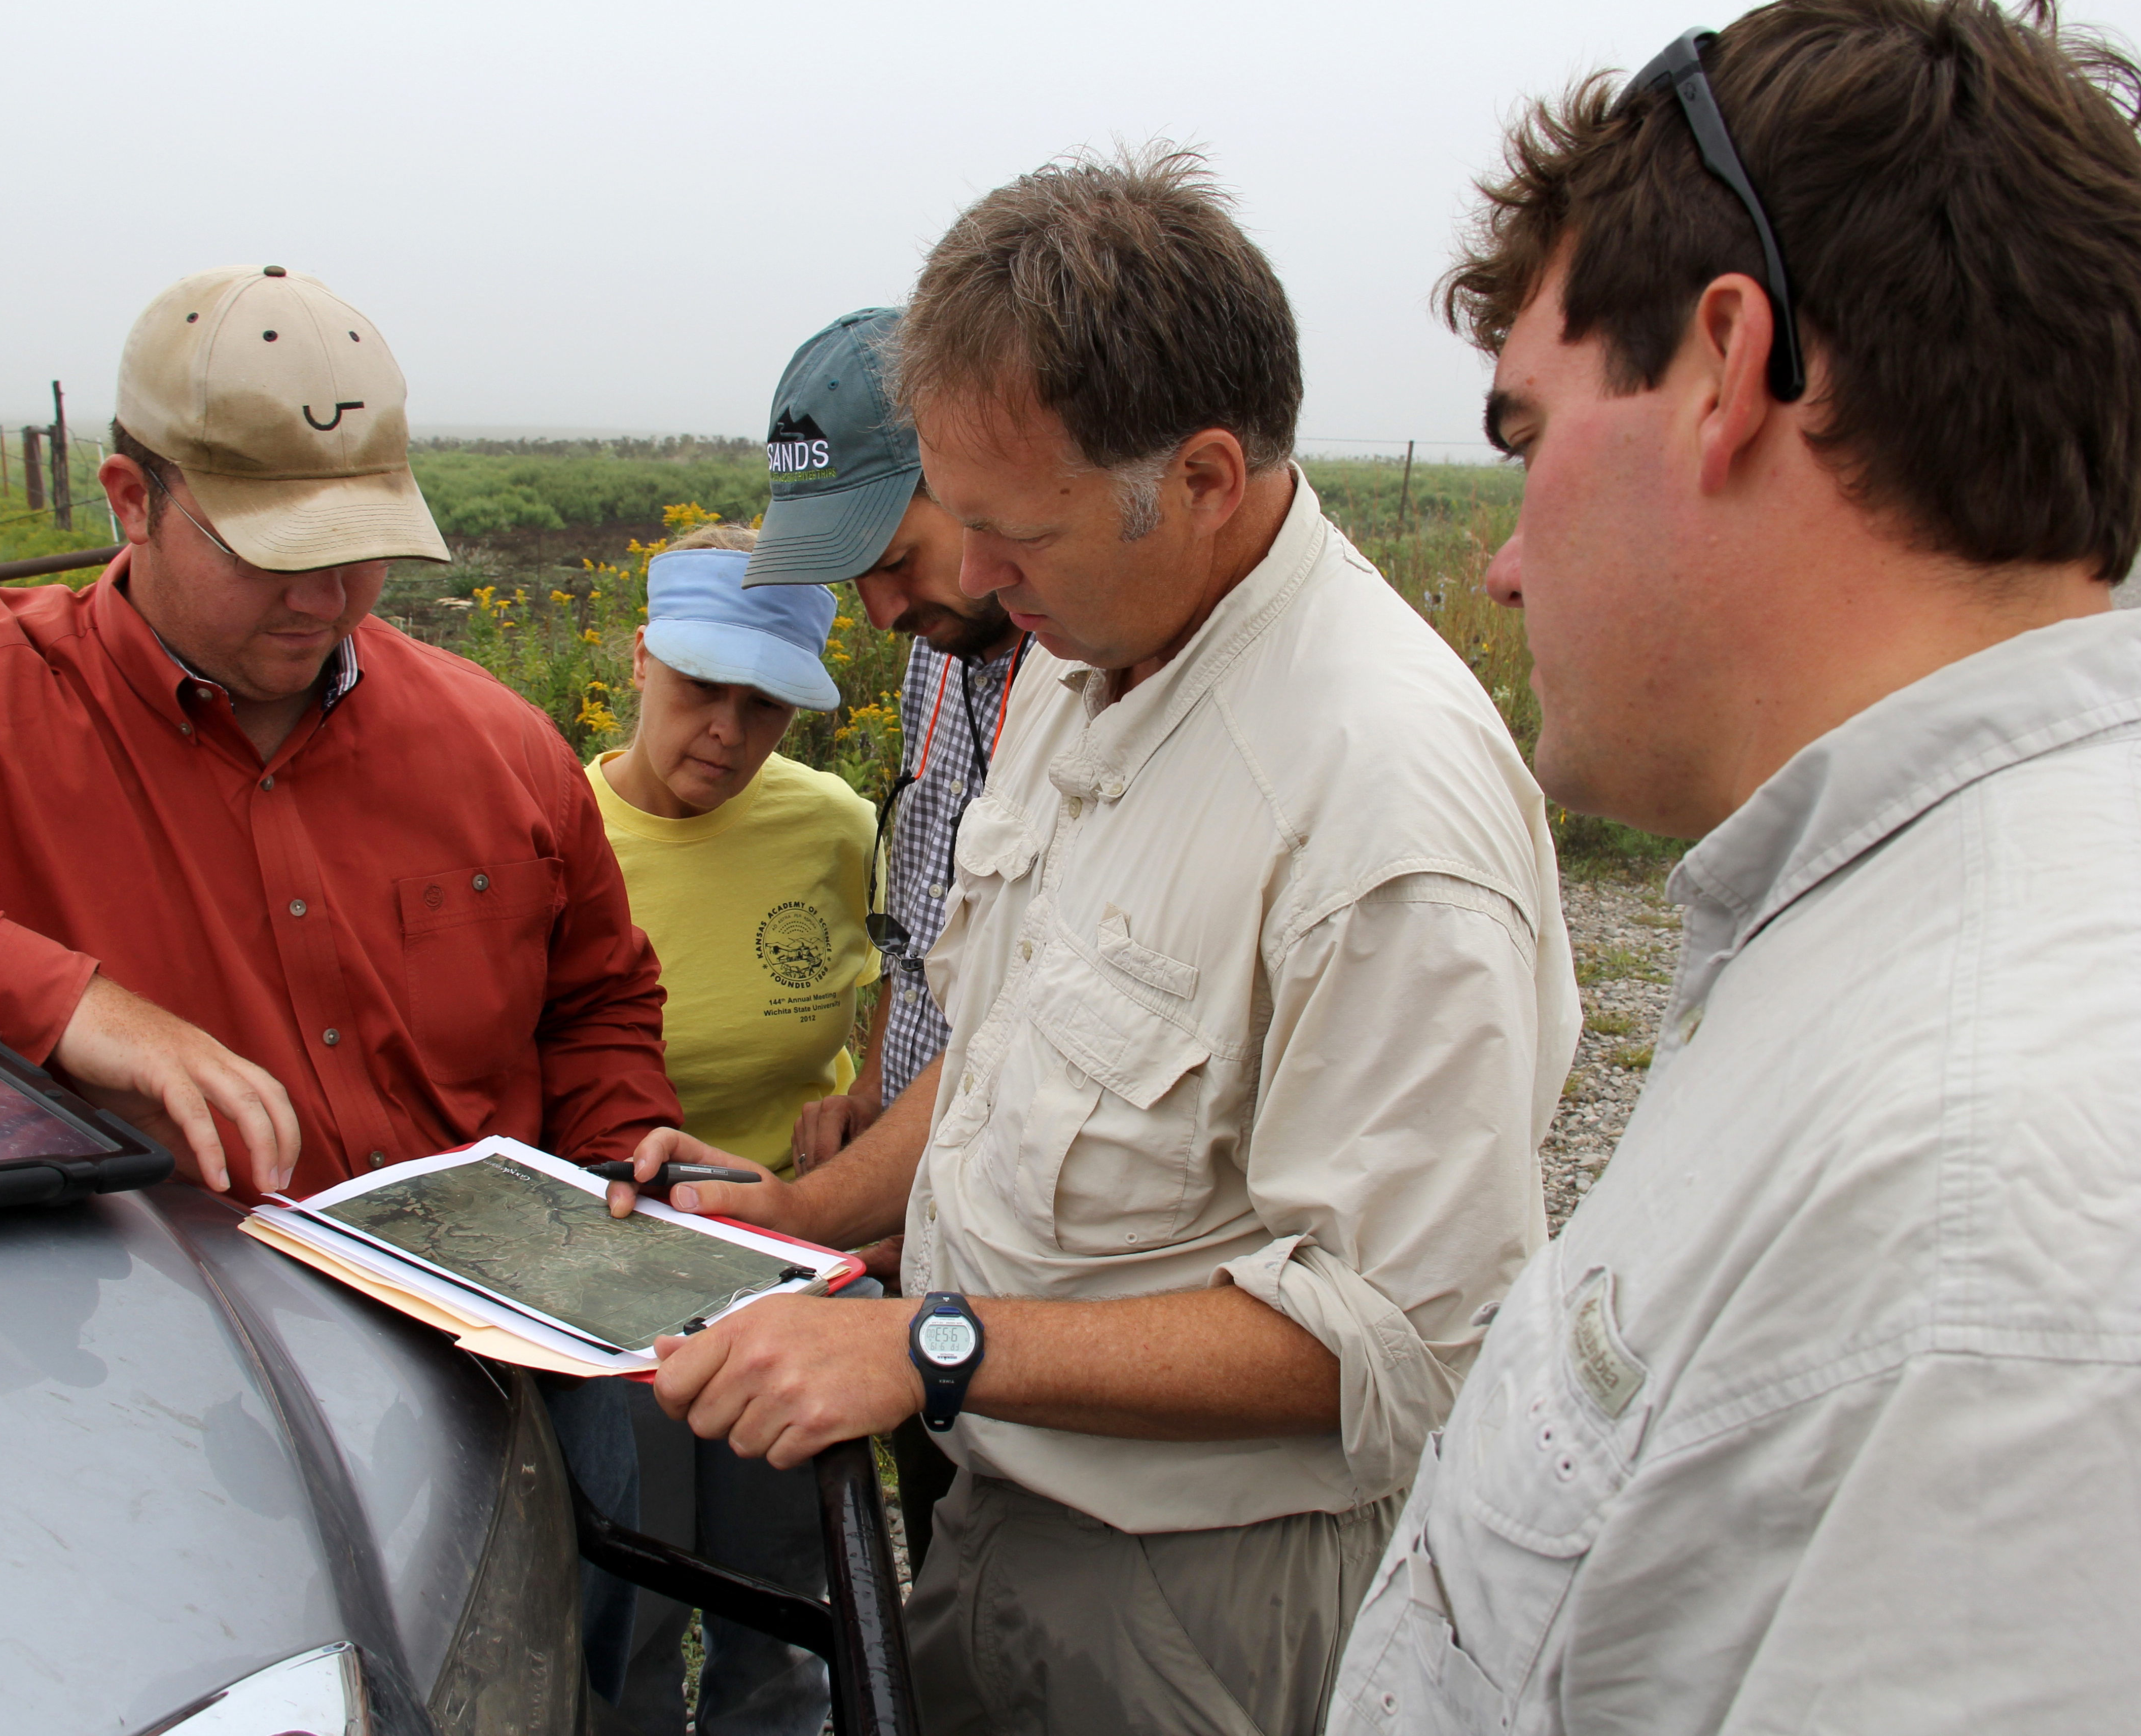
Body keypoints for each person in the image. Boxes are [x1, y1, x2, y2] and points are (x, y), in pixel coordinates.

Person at [0, 263, 676, 1698]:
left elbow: (595, 998)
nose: (326, 595)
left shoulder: (497, 744)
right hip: (155, 1392)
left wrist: (621, 1151)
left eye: (357, 548)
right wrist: (52, 997)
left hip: (505, 1369)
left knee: (588, 1678)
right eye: (269, 546)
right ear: (128, 498)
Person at [1329, 0, 2141, 1732]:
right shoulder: (1905, 949)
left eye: (1525, 433)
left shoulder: (1986, 1210)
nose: (1500, 566)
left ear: (1726, 369)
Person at [614, 151, 1579, 1736]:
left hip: (1201, 1594)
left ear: (1202, 479)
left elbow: (1395, 1339)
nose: (975, 582)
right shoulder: (1086, 648)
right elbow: (1008, 1049)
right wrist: (794, 1218)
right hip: (1010, 1506)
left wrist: (924, 1346)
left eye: (1019, 533)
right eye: (964, 518)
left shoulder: (1380, 806)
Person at [743, 305, 1024, 1570]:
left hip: (1014, 1257)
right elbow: (924, 925)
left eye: (892, 551)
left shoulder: (1093, 677)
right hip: (907, 1206)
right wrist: (871, 1088)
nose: (875, 606)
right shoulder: (939, 650)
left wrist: (810, 1210)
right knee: (938, 1549)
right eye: (844, 568)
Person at [586, 529, 876, 1736]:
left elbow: (932, 967)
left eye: (766, 707)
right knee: (632, 1604)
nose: (728, 732)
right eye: (703, 688)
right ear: (640, 657)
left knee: (783, 1609)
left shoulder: (836, 828)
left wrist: (867, 1103)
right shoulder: (554, 831)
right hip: (613, 1280)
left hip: (788, 1276)